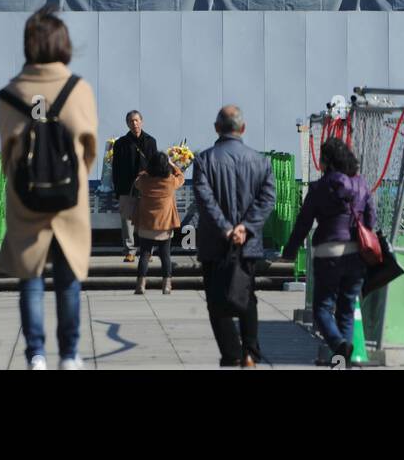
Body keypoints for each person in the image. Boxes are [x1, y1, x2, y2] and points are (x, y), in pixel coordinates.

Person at [0, 8, 98, 371]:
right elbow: (89, 146)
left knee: (31, 277)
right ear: (64, 45)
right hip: (69, 198)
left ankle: (36, 354)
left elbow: (6, 151)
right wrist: (72, 177)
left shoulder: (11, 93)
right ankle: (70, 354)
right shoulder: (78, 88)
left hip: (25, 196)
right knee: (69, 277)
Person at [192, 105, 276, 368]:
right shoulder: (261, 161)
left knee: (217, 301)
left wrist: (226, 228)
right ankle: (250, 353)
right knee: (247, 296)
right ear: (243, 128)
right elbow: (268, 198)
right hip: (247, 244)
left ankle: (231, 354)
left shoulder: (204, 160)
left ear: (217, 128)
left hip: (215, 244)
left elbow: (205, 200)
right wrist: (246, 227)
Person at [282, 138, 377, 368]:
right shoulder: (361, 184)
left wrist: (290, 251)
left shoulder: (318, 188)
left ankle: (338, 345)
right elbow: (371, 218)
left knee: (322, 309)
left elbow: (303, 223)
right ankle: (341, 361)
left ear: (327, 162)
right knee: (346, 308)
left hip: (328, 253)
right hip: (356, 253)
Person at [133, 151, 184, 295]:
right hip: (165, 224)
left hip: (146, 223)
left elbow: (137, 181)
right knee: (165, 255)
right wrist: (173, 165)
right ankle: (166, 285)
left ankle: (140, 285)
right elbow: (181, 177)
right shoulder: (170, 181)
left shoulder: (144, 180)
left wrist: (146, 170)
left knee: (144, 254)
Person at [111, 111, 157, 263]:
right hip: (126, 187)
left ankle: (147, 251)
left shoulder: (150, 141)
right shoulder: (120, 143)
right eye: (131, 121)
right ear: (127, 124)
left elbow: (154, 166)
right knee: (127, 221)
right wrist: (117, 189)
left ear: (142, 122)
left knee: (146, 221)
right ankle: (130, 251)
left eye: (137, 120)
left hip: (146, 187)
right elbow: (115, 168)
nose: (134, 124)